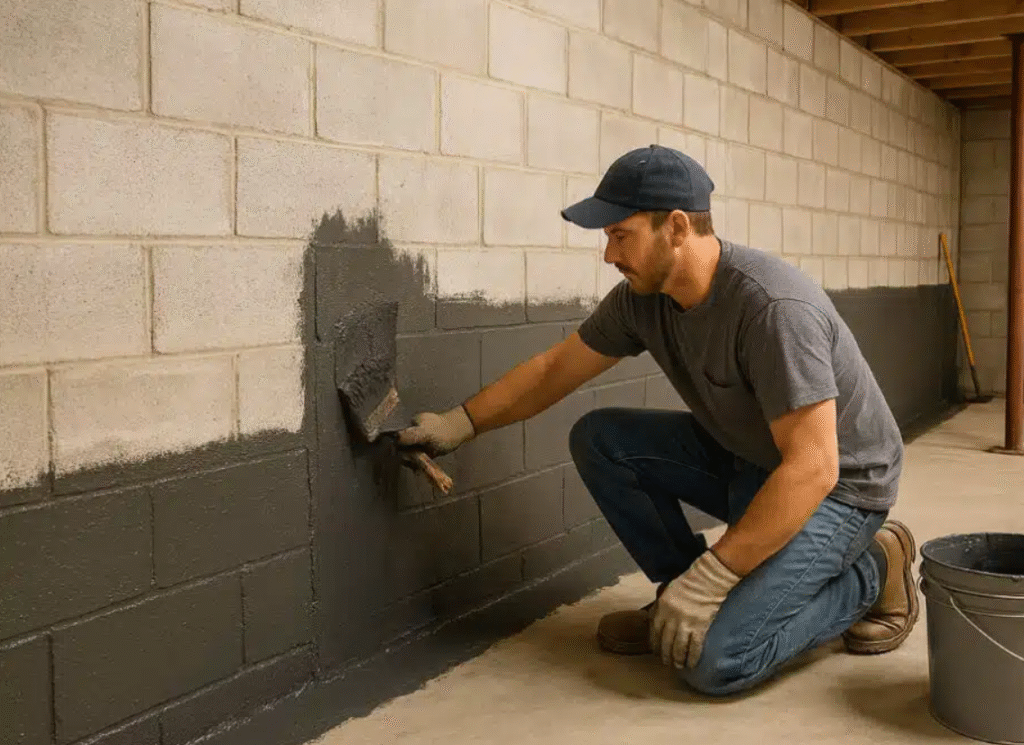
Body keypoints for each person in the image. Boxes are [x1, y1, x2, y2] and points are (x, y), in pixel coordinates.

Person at [396, 144, 918, 697]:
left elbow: (814, 468)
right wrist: (459, 423)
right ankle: (679, 596)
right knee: (602, 439)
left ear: (675, 227)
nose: (608, 255)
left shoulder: (773, 309)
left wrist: (717, 576)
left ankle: (872, 571)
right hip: (753, 458)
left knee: (717, 662)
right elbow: (554, 369)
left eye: (620, 235)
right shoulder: (643, 300)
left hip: (840, 490)